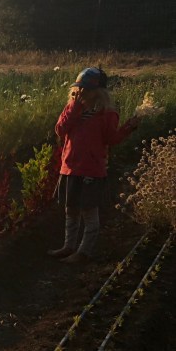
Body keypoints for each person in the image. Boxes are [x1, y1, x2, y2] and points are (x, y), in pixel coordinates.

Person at [48, 67, 140, 263]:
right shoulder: (72, 108)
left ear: (98, 92)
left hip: (91, 169)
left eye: (86, 90)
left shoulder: (107, 114)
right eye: (78, 89)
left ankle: (84, 252)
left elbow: (111, 139)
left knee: (89, 212)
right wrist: (74, 107)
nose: (81, 93)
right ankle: (69, 246)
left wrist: (129, 127)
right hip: (70, 166)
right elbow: (60, 130)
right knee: (71, 210)